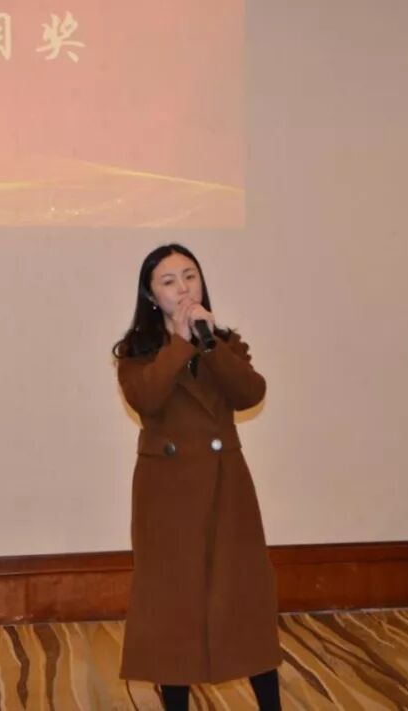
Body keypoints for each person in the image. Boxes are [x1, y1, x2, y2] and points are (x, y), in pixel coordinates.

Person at [112, 244, 283, 711]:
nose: (183, 288)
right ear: (152, 296)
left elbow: (250, 393)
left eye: (191, 276)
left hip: (226, 486)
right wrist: (181, 344)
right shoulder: (137, 352)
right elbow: (146, 399)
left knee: (243, 594)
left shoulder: (223, 343)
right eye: (169, 281)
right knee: (174, 603)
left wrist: (209, 345)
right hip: (166, 493)